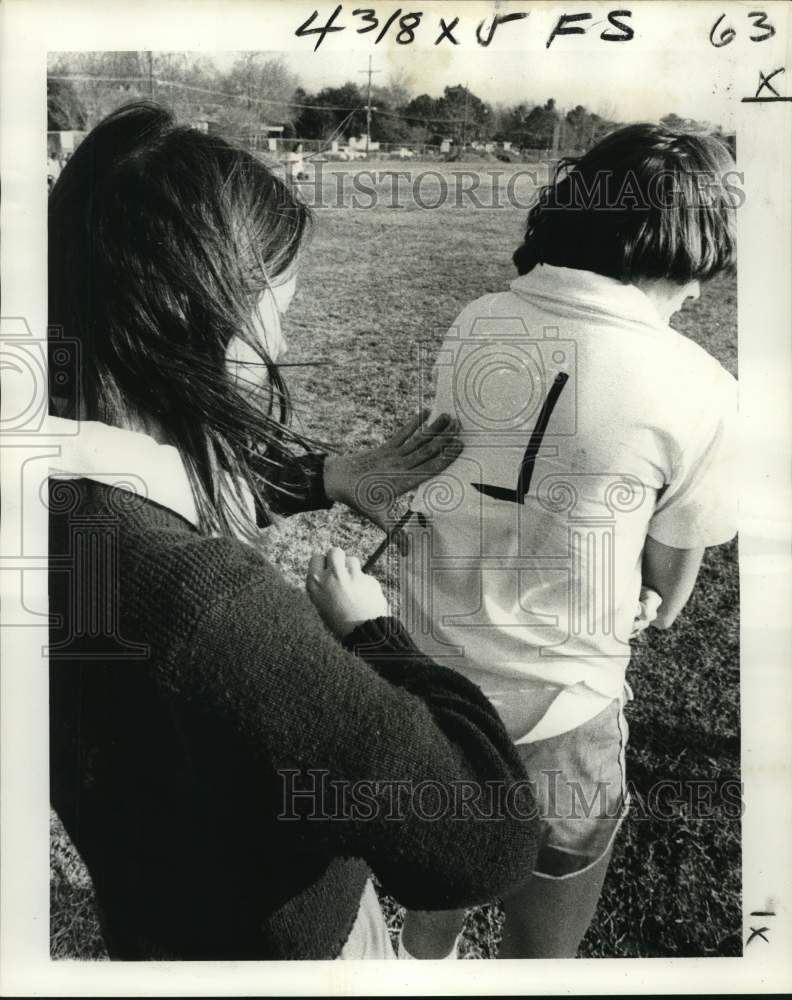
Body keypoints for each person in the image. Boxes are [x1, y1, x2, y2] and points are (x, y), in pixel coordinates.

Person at [46, 102, 541, 961]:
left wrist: (324, 476)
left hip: (152, 919)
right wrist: (375, 634)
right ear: (192, 310)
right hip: (282, 951)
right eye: (278, 305)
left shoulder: (54, 495)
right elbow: (482, 839)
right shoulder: (210, 610)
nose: (282, 335)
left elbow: (153, 492)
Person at [397, 124, 738, 958]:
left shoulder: (478, 316)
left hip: (432, 677)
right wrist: (648, 590)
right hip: (564, 704)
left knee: (432, 893)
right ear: (691, 243)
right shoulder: (699, 383)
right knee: (543, 949)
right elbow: (671, 593)